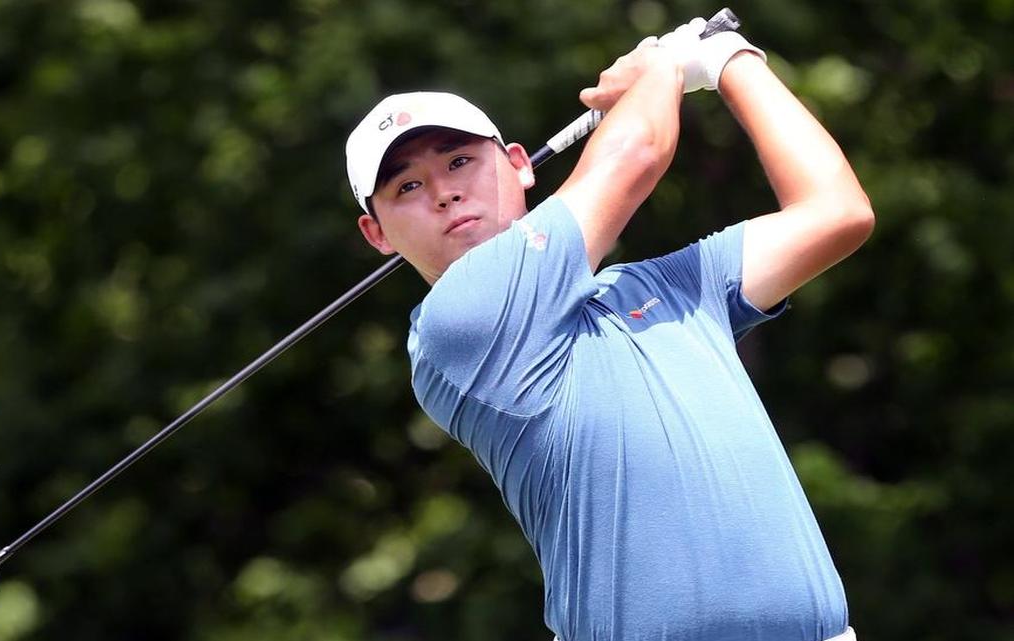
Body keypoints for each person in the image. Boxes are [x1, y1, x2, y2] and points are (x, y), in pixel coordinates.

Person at [344, 17, 873, 641]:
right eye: (407, 186)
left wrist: (733, 60)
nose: (444, 193)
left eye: (460, 161)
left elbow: (837, 213)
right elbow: (636, 152)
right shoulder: (457, 324)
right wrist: (661, 67)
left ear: (519, 166)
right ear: (377, 234)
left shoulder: (658, 289)